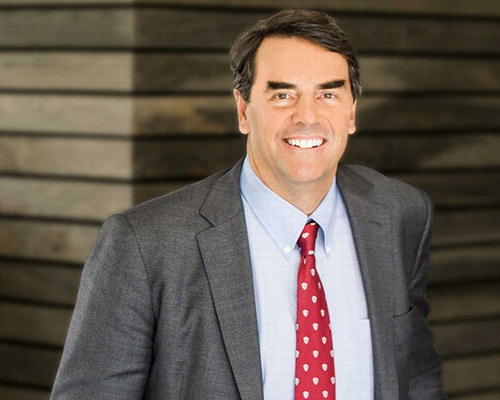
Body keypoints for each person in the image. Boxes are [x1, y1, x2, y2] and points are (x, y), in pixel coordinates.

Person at [51, 9, 445, 400]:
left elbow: (417, 377)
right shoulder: (144, 243)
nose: (307, 116)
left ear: (352, 111)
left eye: (328, 94)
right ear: (243, 110)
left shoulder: (400, 213)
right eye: (282, 95)